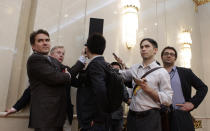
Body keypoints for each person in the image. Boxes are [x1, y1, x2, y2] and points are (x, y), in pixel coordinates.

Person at [4, 45, 85, 131]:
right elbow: (30, 91)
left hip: (65, 115)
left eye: (63, 54)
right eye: (58, 52)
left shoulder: (66, 70)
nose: (61, 55)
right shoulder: (44, 70)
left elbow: (78, 83)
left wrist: (83, 70)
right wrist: (15, 108)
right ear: (51, 54)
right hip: (49, 117)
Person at [27, 29, 84, 131]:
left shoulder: (52, 60)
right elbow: (56, 78)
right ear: (33, 46)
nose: (45, 43)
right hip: (46, 117)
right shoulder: (35, 59)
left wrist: (83, 59)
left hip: (58, 116)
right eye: (40, 41)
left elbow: (70, 72)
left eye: (47, 40)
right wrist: (66, 76)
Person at [118, 38, 173, 131]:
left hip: (150, 117)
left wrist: (148, 89)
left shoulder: (162, 72)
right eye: (141, 47)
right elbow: (121, 75)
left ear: (155, 50)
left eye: (147, 46)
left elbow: (168, 99)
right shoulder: (134, 67)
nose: (143, 49)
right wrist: (105, 67)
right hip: (132, 115)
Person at [161, 46, 208, 131]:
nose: (169, 56)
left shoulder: (186, 72)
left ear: (175, 58)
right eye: (166, 54)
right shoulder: (156, 73)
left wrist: (192, 103)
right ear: (162, 57)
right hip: (160, 117)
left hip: (181, 115)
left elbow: (203, 88)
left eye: (172, 54)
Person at [77, 33, 110, 131]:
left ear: (87, 48)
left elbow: (100, 90)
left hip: (94, 121)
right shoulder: (103, 63)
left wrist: (97, 118)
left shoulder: (95, 64)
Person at [110, 62, 130, 131]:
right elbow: (125, 97)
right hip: (114, 115)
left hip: (113, 115)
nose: (116, 72)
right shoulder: (120, 81)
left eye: (117, 70)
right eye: (114, 70)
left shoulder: (103, 81)